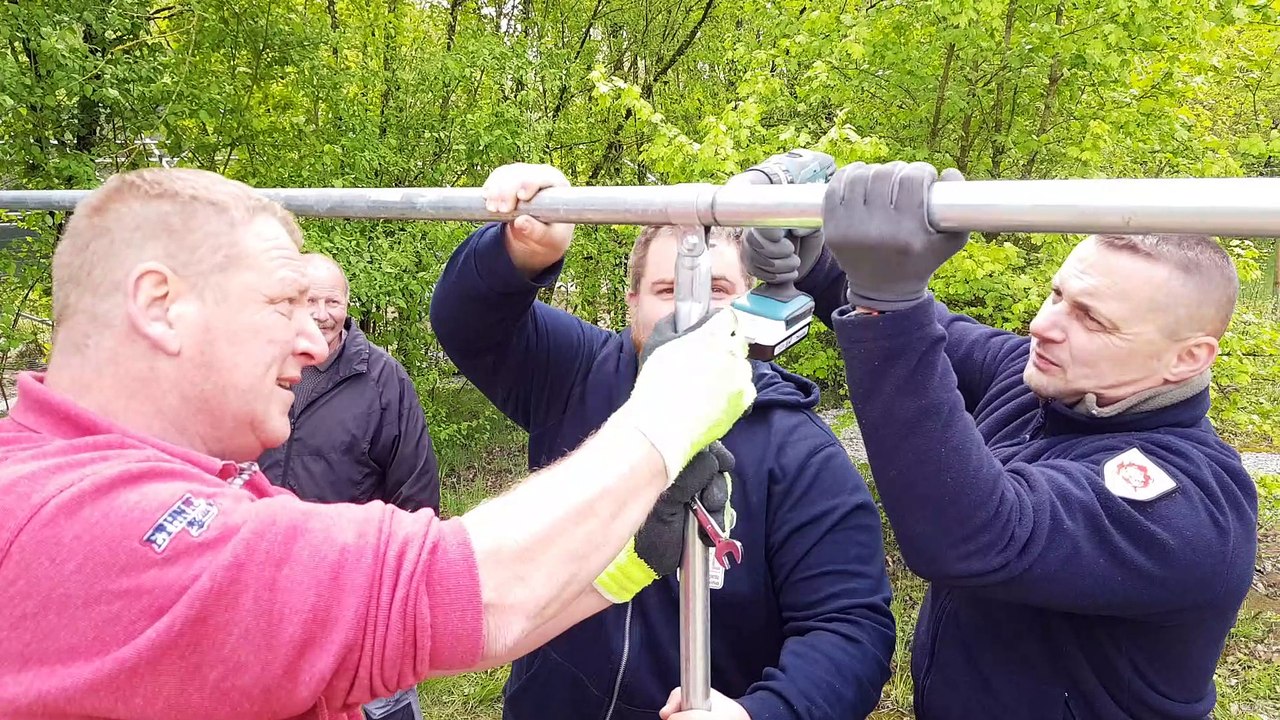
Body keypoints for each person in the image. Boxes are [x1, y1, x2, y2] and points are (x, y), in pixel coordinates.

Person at [0, 166, 758, 720]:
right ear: (161, 307)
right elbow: (455, 589)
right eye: (282, 302)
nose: (311, 339)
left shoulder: (144, 482)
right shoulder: (79, 522)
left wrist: (619, 572)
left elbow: (421, 628)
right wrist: (667, 414)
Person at [742, 158, 1258, 719]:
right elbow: (935, 328)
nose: (1044, 324)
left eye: (1092, 319)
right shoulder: (1045, 382)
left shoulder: (1192, 507)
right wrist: (823, 260)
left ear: (1187, 358)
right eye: (1058, 295)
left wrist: (886, 301)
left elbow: (976, 532)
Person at [429, 162, 896, 720]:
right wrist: (525, 248)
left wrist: (760, 714)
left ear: (751, 303)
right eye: (668, 289)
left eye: (716, 290)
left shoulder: (800, 450)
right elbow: (468, 321)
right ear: (632, 303)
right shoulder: (580, 371)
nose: (690, 311)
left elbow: (850, 628)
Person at [256, 252, 438, 719]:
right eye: (310, 300)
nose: (322, 313)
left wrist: (404, 595)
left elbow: (415, 492)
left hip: (357, 592)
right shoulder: (256, 369)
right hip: (266, 586)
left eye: (332, 300)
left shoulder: (383, 379)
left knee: (379, 700)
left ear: (348, 303)